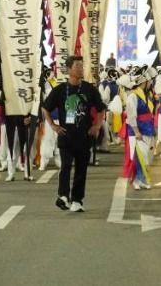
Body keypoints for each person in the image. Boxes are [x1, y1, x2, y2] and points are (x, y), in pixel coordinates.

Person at [43, 56, 105, 213]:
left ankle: (77, 200)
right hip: (66, 136)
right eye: (77, 66)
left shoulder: (89, 89)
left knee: (81, 169)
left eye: (82, 66)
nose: (81, 69)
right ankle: (63, 195)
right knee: (65, 166)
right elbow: (45, 108)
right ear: (69, 69)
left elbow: (101, 108)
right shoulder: (60, 90)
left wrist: (97, 126)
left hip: (84, 136)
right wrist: (53, 125)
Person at [124, 66, 158, 190]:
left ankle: (142, 179)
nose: (151, 83)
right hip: (137, 129)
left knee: (147, 156)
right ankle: (137, 180)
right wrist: (136, 131)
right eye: (149, 81)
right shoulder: (133, 96)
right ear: (144, 82)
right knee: (139, 156)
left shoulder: (146, 95)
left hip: (148, 127)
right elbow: (131, 116)